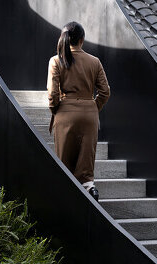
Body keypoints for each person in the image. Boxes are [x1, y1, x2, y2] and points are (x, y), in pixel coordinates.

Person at [47, 21, 110, 201]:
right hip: (89, 114)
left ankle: (66, 199)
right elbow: (105, 92)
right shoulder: (94, 61)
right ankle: (90, 188)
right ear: (82, 39)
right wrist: (92, 107)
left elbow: (52, 94)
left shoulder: (56, 61)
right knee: (86, 160)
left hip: (65, 113)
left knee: (64, 161)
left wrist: (56, 109)